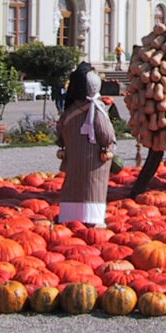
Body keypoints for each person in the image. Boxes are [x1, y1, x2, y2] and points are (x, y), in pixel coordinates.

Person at [56, 64, 115, 227]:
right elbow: (106, 133)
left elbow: (60, 130)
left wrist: (62, 144)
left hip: (73, 156)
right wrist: (109, 146)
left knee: (73, 184)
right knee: (93, 185)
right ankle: (92, 217)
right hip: (94, 157)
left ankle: (69, 215)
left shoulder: (70, 109)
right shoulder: (96, 108)